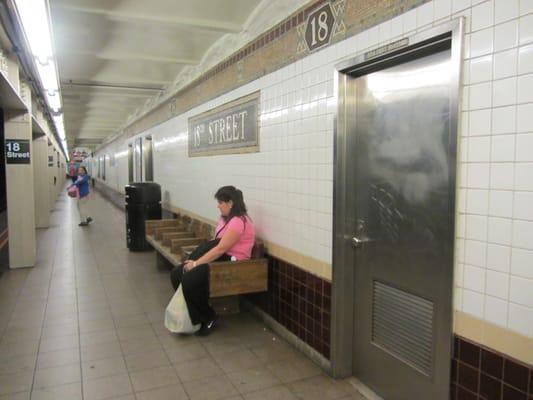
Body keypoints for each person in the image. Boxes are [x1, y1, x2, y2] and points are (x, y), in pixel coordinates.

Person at [170, 186, 255, 336]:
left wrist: (196, 264)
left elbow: (221, 248)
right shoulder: (224, 219)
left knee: (190, 279)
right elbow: (215, 243)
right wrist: (194, 261)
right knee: (177, 273)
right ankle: (193, 315)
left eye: (221, 202)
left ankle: (208, 317)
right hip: (220, 257)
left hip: (234, 263)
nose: (218, 205)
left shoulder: (239, 221)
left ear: (230, 203)